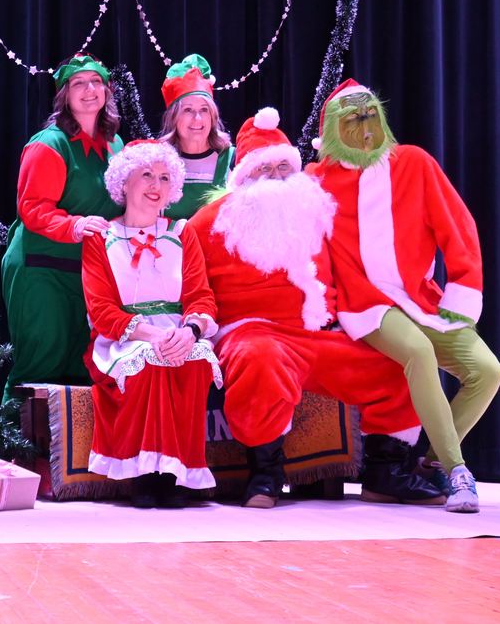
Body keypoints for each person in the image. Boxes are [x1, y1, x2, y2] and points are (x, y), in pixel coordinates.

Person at [189, 107, 442, 509]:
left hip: (320, 334)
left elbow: (362, 266)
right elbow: (194, 289)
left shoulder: (318, 213)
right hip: (253, 332)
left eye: (283, 167)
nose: (274, 177)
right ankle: (266, 471)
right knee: (260, 358)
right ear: (243, 176)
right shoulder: (208, 223)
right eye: (263, 168)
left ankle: (387, 471)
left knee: (399, 359)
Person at [306, 79, 500, 513]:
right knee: (418, 352)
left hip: (422, 298)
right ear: (333, 128)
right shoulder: (315, 181)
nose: (362, 126)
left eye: (368, 115)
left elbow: (459, 230)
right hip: (367, 306)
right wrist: (326, 308)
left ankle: (430, 461)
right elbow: (310, 250)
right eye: (351, 118)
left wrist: (461, 294)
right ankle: (458, 472)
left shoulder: (413, 163)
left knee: (487, 371)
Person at [82, 140, 221, 508]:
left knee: (193, 362)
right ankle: (145, 475)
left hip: (178, 330)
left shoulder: (181, 232)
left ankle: (179, 474)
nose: (155, 184)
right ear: (124, 182)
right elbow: (101, 310)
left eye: (163, 177)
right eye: (146, 175)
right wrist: (153, 334)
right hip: (124, 335)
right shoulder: (101, 239)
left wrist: (190, 332)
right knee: (146, 361)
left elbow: (201, 296)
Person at [1, 54, 124, 402]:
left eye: (96, 82)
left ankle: (69, 455)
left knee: (82, 370)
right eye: (79, 84)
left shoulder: (115, 145)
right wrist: (75, 225)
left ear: (107, 91)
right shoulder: (49, 144)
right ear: (64, 96)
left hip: (87, 274)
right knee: (40, 368)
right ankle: (12, 450)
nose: (89, 90)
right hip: (41, 270)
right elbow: (32, 208)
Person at [157, 54, 235, 220]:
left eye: (204, 110)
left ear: (213, 116)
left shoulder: (232, 159)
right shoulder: (158, 162)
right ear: (174, 117)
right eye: (188, 110)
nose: (197, 119)